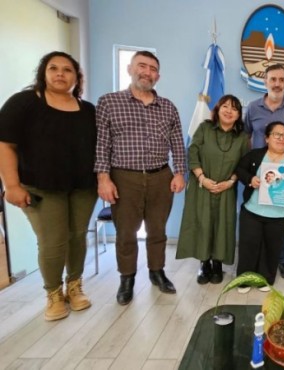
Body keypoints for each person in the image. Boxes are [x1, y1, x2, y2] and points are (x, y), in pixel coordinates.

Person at [0, 51, 97, 321]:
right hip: (41, 187)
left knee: (77, 236)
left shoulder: (87, 109)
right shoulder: (23, 103)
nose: (60, 74)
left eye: (67, 70)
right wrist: (11, 185)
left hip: (82, 187)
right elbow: (5, 145)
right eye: (53, 68)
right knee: (53, 242)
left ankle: (75, 286)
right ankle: (53, 293)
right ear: (43, 72)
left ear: (76, 77)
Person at [94, 51, 186, 305]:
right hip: (124, 177)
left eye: (153, 68)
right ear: (129, 69)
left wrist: (180, 172)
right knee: (126, 232)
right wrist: (103, 178)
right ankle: (127, 279)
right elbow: (102, 143)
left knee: (157, 230)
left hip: (160, 177)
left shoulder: (167, 107)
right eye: (142, 66)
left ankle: (157, 272)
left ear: (158, 75)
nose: (147, 72)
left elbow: (178, 143)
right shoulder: (109, 102)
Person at [244, 64, 284, 279]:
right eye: (273, 79)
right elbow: (246, 138)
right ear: (265, 82)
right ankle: (255, 261)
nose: (277, 84)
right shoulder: (253, 108)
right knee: (254, 218)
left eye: (282, 80)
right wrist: (249, 167)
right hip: (258, 176)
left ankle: (283, 261)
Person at [176, 95, 249, 285]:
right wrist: (202, 178)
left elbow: (244, 164)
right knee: (204, 223)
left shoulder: (242, 137)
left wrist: (231, 181)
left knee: (222, 225)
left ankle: (218, 264)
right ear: (217, 109)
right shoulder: (204, 128)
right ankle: (204, 264)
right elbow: (192, 153)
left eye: (234, 108)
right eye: (225, 106)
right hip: (202, 186)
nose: (229, 111)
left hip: (226, 189)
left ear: (238, 114)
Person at [235, 122, 284, 293]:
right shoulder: (254, 156)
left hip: (279, 215)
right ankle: (245, 280)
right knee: (248, 245)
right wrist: (250, 179)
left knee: (272, 248)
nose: (282, 138)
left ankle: (265, 280)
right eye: (277, 134)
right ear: (267, 138)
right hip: (252, 211)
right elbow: (239, 169)